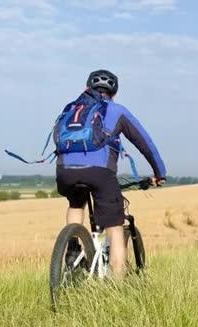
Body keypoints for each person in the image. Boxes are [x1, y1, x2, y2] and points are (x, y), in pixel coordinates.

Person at [53, 69, 166, 277]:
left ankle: (73, 248)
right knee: (115, 227)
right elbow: (145, 142)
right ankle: (117, 287)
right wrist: (159, 172)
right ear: (113, 93)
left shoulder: (71, 109)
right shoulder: (116, 110)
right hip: (100, 173)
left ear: (87, 88)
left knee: (76, 203)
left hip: (65, 172)